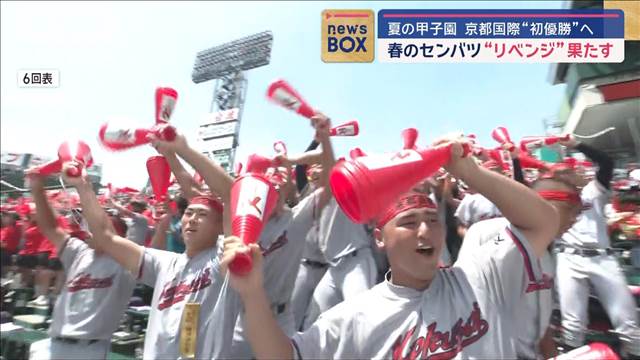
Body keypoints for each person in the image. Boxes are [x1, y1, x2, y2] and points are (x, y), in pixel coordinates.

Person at [222, 135, 559, 359]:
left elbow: (544, 222)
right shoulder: (356, 315)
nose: (425, 229)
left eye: (432, 219)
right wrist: (252, 294)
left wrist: (471, 172)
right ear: (380, 238)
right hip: (329, 269)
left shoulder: (479, 275)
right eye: (409, 223)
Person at [67, 133, 241, 359]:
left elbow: (231, 194)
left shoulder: (223, 258)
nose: (192, 219)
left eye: (202, 215)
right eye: (189, 213)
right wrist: (83, 187)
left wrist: (181, 150)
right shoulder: (163, 263)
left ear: (221, 226)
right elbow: (106, 237)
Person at [457, 172, 583, 359]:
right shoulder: (487, 231)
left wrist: (550, 353)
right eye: (569, 209)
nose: (574, 219)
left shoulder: (550, 251)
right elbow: (461, 299)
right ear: (543, 205)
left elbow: (541, 317)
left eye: (578, 213)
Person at [25, 172, 136, 360]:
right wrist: (37, 188)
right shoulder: (79, 252)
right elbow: (50, 228)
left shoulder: (126, 263)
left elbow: (106, 231)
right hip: (52, 345)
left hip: (87, 350)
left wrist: (85, 188)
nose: (88, 231)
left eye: (93, 227)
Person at [554, 136, 640, 357]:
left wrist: (576, 145)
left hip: (602, 257)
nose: (571, 174)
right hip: (569, 258)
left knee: (628, 323)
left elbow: (606, 162)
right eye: (564, 171)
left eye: (573, 170)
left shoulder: (593, 189)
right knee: (572, 325)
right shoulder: (550, 197)